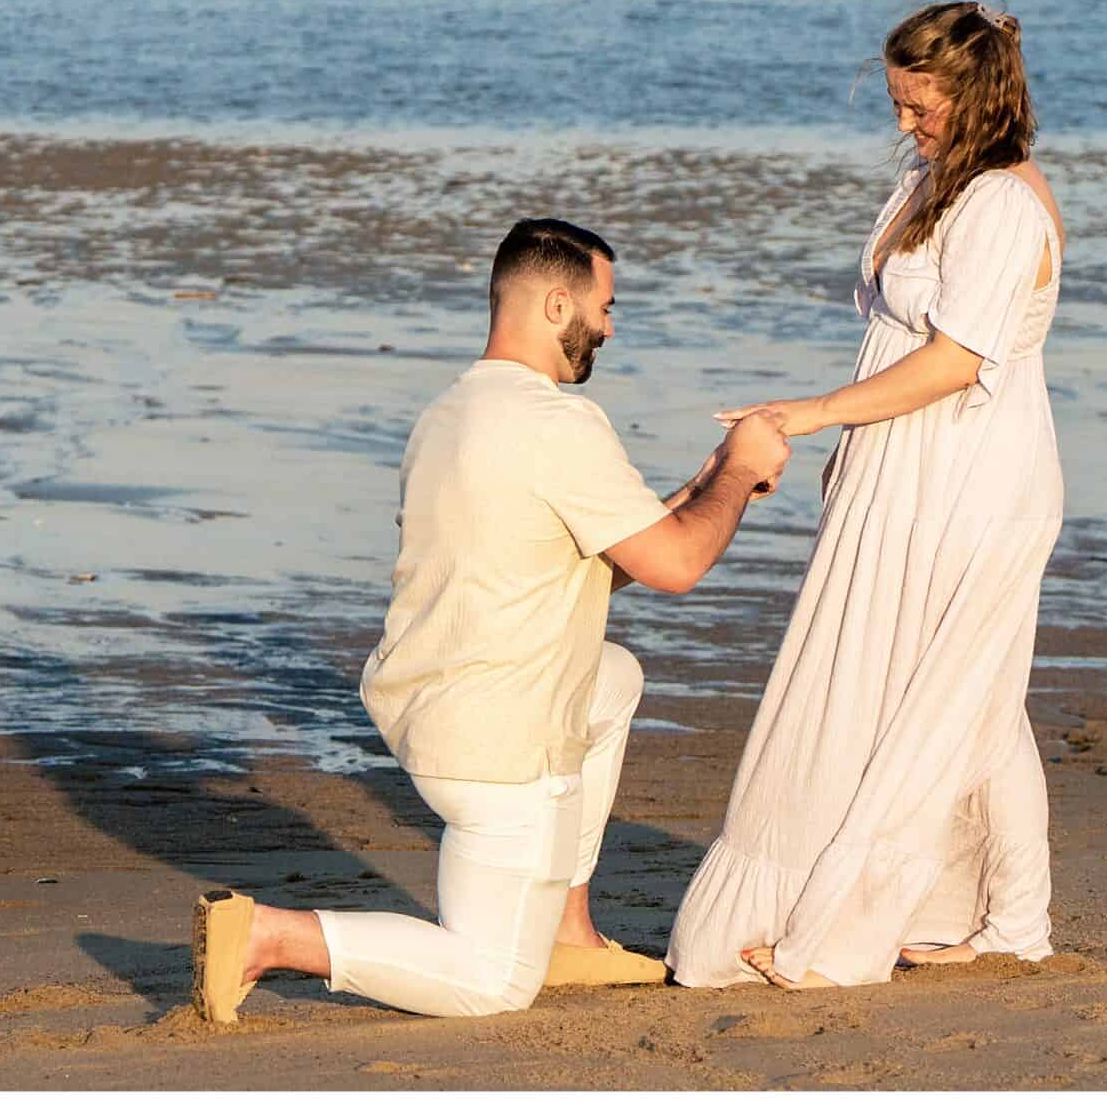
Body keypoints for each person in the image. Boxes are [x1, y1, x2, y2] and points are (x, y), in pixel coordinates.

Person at [192, 217, 791, 1024]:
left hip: (430, 713)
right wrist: (747, 469)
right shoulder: (557, 424)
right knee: (490, 981)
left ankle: (570, 933)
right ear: (555, 302)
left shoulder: (448, 414)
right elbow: (677, 566)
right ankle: (269, 935)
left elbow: (578, 562)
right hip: (499, 751)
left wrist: (715, 479)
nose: (610, 326)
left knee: (613, 677)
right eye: (604, 306)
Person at [667, 0, 1068, 989]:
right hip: (906, 468)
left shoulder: (1004, 207)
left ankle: (897, 925)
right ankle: (1006, 921)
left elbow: (953, 360)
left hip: (970, 477)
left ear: (972, 96)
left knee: (954, 699)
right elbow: (899, 337)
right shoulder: (935, 183)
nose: (903, 124)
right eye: (895, 104)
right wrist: (855, 455)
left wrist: (817, 413)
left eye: (917, 106)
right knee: (971, 700)